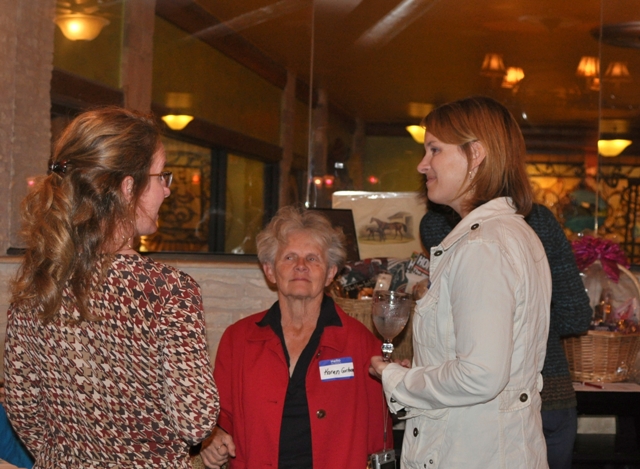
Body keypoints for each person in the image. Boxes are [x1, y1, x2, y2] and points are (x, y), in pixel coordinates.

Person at [3, 107, 220, 468]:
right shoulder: (167, 290)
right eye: (161, 176)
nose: (167, 190)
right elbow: (195, 421)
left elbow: (24, 410)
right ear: (128, 187)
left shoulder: (37, 280)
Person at [370, 96, 552, 468]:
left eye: (434, 149)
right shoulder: (509, 233)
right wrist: (424, 371)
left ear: (476, 154)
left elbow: (480, 376)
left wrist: (396, 379)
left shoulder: (482, 245)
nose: (423, 164)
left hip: (470, 452)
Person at [200, 206, 391, 469]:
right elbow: (219, 418)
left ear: (330, 273)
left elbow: (380, 433)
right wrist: (212, 438)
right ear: (270, 270)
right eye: (289, 257)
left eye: (313, 258)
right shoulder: (238, 340)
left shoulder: (361, 343)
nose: (301, 266)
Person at [420, 202, 592, 469]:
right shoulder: (538, 218)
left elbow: (452, 322)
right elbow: (575, 316)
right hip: (552, 394)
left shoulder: (438, 222)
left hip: (477, 409)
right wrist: (530, 324)